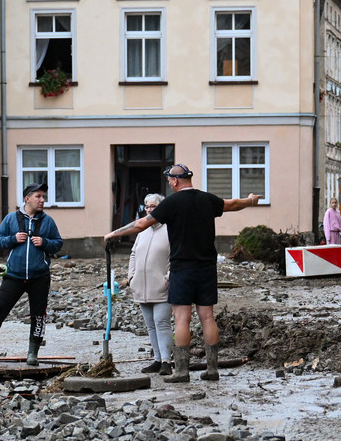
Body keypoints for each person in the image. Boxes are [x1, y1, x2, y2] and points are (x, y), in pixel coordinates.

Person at [103, 164, 260, 383]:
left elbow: (140, 225)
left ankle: (182, 372)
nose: (169, 184)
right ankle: (213, 370)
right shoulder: (207, 199)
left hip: (182, 268)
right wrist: (251, 200)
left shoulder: (171, 203)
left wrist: (113, 233)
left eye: (169, 181)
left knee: (181, 319)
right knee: (207, 317)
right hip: (206, 268)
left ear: (175, 181)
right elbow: (233, 204)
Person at [0, 182, 64, 366]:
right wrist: (13, 239)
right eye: (38, 196)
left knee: (39, 315)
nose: (42, 200)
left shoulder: (48, 221)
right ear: (27, 198)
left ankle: (32, 353)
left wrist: (44, 243)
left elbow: (58, 243)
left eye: (43, 196)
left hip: (39, 277)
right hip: (14, 275)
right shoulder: (11, 219)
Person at [127, 193, 173, 376]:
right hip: (141, 286)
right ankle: (156, 359)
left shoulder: (170, 229)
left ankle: (166, 361)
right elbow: (133, 254)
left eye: (154, 206)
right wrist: (131, 276)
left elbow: (176, 255)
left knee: (161, 323)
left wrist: (168, 276)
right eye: (147, 206)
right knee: (150, 326)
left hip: (162, 286)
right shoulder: (142, 230)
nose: (150, 209)